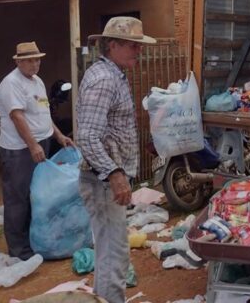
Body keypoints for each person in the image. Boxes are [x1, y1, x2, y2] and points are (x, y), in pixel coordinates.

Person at [75, 17, 156, 303]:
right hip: (102, 181)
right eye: (132, 46)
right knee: (113, 252)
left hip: (106, 178)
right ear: (112, 45)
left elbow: (111, 128)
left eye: (139, 46)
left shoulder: (113, 75)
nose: (139, 51)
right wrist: (115, 173)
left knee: (111, 249)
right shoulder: (104, 79)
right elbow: (86, 136)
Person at [0, 41, 73, 259]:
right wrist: (32, 145)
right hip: (19, 149)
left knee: (37, 195)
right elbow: (17, 116)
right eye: (30, 60)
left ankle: (34, 241)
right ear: (19, 61)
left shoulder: (37, 81)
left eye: (37, 59)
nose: (35, 64)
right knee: (18, 198)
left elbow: (43, 114)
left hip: (42, 143)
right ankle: (18, 250)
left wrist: (59, 136)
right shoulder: (11, 83)